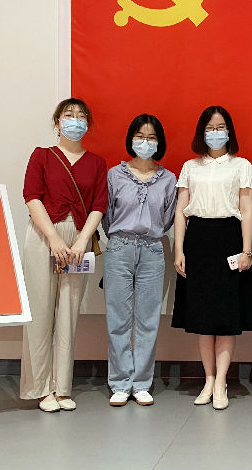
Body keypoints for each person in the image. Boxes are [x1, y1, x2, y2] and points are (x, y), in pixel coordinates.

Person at [20, 98, 107, 412]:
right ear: (57, 121)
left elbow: (99, 204)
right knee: (40, 313)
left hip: (78, 240)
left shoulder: (96, 163)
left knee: (69, 313)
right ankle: (40, 388)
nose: (75, 120)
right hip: (44, 236)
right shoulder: (42, 156)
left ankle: (62, 387)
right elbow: (32, 197)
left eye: (81, 116)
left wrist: (82, 240)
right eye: (69, 115)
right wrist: (54, 239)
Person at [171, 105, 252, 410]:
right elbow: (181, 211)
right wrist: (179, 249)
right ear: (201, 133)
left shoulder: (241, 165)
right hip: (198, 240)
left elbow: (247, 209)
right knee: (203, 317)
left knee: (226, 315)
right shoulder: (190, 166)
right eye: (210, 128)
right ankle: (208, 379)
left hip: (229, 237)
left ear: (229, 131)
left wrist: (247, 250)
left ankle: (222, 381)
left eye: (220, 127)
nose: (215, 133)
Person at [102, 114, 177, 407]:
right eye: (140, 136)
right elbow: (107, 214)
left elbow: (168, 218)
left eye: (151, 137)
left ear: (159, 142)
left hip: (153, 249)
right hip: (119, 248)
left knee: (148, 319)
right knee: (118, 319)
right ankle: (121, 382)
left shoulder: (168, 179)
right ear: (131, 139)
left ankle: (142, 382)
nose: (145, 142)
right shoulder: (114, 175)